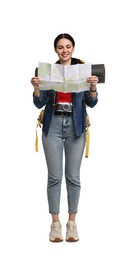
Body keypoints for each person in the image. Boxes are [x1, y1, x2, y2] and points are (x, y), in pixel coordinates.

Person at [31, 33, 99, 242]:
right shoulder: (47, 72)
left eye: (68, 46)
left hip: (76, 126)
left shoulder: (82, 70)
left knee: (73, 177)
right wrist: (36, 87)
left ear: (73, 48)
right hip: (52, 125)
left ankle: (72, 224)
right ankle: (55, 224)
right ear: (56, 50)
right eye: (60, 47)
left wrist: (93, 87)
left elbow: (92, 102)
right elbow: (39, 103)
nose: (64, 50)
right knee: (55, 177)